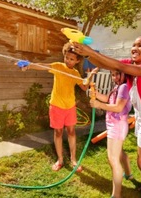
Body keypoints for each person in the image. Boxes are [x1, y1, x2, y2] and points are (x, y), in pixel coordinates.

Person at [73, 35, 141, 198]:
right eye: (134, 44)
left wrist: (90, 51)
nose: (135, 48)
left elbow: (115, 65)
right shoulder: (132, 64)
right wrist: (88, 54)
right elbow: (108, 64)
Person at [17, 42, 96, 172]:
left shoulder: (75, 73)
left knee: (71, 132)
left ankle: (73, 159)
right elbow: (42, 66)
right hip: (57, 106)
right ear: (64, 55)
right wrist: (29, 65)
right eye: (67, 57)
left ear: (77, 61)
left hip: (70, 107)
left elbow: (84, 86)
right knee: (58, 132)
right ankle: (60, 160)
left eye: (72, 59)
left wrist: (91, 75)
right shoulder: (58, 66)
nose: (68, 61)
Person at [90, 70, 134, 198]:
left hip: (117, 125)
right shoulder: (117, 87)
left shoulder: (124, 87)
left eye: (117, 74)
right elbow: (107, 99)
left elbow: (118, 107)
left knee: (113, 159)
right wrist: (96, 94)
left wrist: (99, 105)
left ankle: (117, 195)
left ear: (125, 74)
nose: (114, 77)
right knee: (119, 153)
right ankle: (129, 174)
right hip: (114, 124)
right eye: (113, 75)